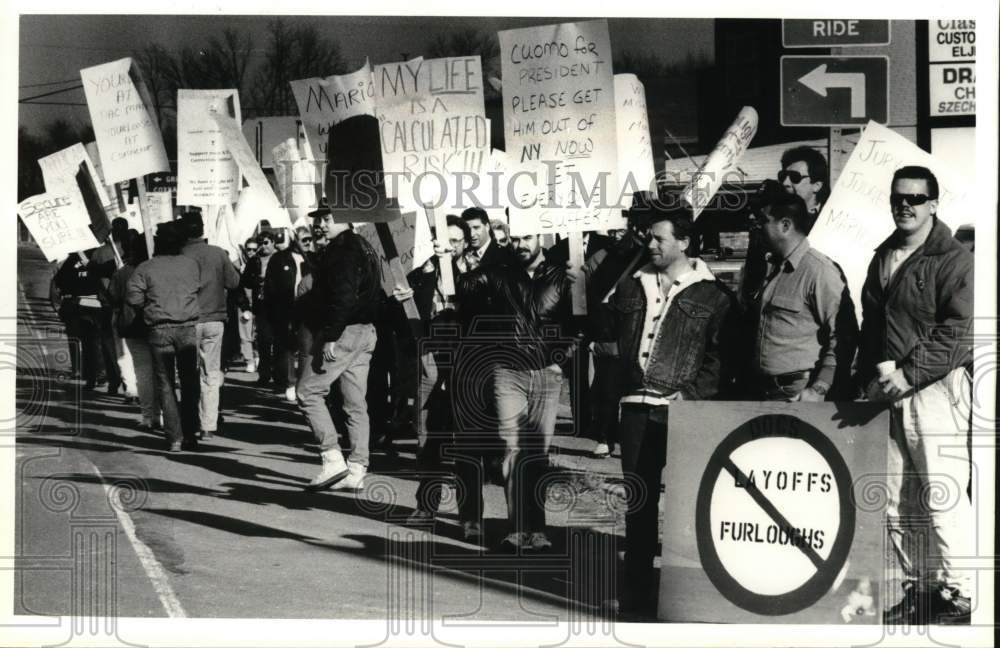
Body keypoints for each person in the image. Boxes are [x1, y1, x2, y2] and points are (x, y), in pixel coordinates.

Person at [601, 206, 739, 618]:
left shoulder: (712, 293)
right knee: (638, 503)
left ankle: (680, 594)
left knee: (684, 504)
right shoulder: (629, 284)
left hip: (682, 409)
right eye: (648, 237)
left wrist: (693, 394)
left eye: (659, 238)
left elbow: (719, 357)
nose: (651, 244)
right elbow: (606, 334)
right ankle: (637, 591)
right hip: (636, 408)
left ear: (685, 242)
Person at [856, 166, 974, 625]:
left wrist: (910, 373)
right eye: (898, 198)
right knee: (896, 497)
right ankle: (921, 587)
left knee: (941, 493)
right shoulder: (883, 255)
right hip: (890, 389)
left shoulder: (954, 260)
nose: (905, 205)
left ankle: (961, 592)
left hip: (936, 390)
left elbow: (960, 331)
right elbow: (872, 327)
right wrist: (866, 379)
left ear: (933, 204)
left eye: (916, 198)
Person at [458, 230, 575, 551]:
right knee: (513, 448)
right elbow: (466, 287)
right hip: (507, 373)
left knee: (536, 454)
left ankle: (536, 529)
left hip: (547, 375)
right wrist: (450, 259)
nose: (520, 245)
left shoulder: (564, 274)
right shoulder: (499, 271)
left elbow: (581, 325)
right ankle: (518, 528)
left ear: (543, 237)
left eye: (527, 238)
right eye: (515, 238)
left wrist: (560, 361)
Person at [746, 182, 856, 401]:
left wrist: (819, 389)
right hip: (763, 393)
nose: (755, 227)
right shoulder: (769, 269)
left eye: (762, 222)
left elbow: (844, 336)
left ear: (785, 225)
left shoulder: (819, 271)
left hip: (798, 395)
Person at [297, 209, 382, 491]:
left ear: (346, 219)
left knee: (308, 392)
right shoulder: (363, 246)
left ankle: (332, 458)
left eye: (328, 219)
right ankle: (357, 467)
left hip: (344, 332)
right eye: (318, 219)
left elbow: (344, 296)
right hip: (364, 331)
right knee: (354, 401)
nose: (321, 225)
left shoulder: (343, 250)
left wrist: (332, 335)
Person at [126, 221, 202, 452]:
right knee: (190, 381)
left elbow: (133, 298)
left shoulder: (146, 267)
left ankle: (174, 437)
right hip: (187, 326)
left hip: (159, 328)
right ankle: (190, 433)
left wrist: (152, 302)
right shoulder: (191, 264)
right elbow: (198, 287)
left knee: (165, 383)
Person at [180, 211, 241, 439]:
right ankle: (208, 424)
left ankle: (191, 422)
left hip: (188, 320)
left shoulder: (179, 255)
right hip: (215, 320)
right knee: (211, 373)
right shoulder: (217, 254)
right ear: (202, 228)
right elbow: (234, 281)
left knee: (188, 373)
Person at [108, 230, 162, 432]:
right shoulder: (158, 269)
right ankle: (164, 415)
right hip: (158, 325)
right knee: (161, 373)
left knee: (143, 374)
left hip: (132, 327)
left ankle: (149, 417)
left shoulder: (122, 273)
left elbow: (112, 297)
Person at [263, 230, 308, 402]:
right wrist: (273, 312)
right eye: (304, 239)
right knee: (287, 347)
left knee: (306, 347)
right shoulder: (280, 258)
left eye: (310, 239)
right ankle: (290, 382)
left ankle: (303, 383)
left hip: (307, 307)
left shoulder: (313, 257)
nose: (308, 242)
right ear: (295, 239)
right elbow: (270, 286)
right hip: (286, 308)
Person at [240, 230, 278, 385]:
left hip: (278, 305)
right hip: (261, 306)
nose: (263, 246)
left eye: (266, 242)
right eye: (261, 243)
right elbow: (246, 282)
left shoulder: (280, 257)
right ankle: (265, 373)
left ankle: (279, 374)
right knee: (263, 340)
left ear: (274, 242)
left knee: (278, 342)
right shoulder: (254, 260)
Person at [236, 238, 259, 372]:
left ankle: (257, 355)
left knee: (257, 332)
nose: (251, 252)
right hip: (243, 301)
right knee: (244, 332)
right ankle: (249, 360)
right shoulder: (238, 264)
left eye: (254, 249)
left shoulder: (260, 262)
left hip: (257, 301)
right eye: (249, 249)